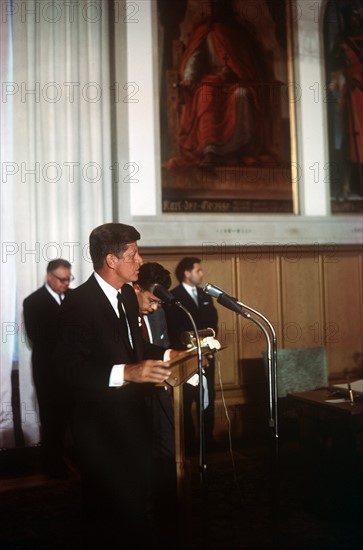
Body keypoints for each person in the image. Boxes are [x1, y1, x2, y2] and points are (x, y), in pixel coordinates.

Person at [53, 223, 175, 548]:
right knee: (107, 518)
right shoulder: (78, 304)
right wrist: (127, 374)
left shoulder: (129, 298)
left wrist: (168, 352)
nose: (140, 261)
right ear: (111, 259)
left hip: (134, 422)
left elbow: (136, 351)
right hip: (99, 432)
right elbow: (67, 370)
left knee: (135, 509)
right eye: (134, 254)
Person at [166, 1, 275, 171]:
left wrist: (234, 73)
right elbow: (195, 58)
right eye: (216, 6)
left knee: (242, 94)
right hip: (210, 80)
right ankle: (210, 150)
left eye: (223, 7)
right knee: (205, 95)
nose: (219, 10)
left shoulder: (239, 35)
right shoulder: (206, 33)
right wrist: (189, 77)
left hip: (234, 82)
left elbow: (247, 64)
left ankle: (240, 149)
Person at [132, 262, 177, 540]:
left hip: (160, 396)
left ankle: (168, 516)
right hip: (132, 401)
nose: (153, 308)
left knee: (167, 457)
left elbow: (164, 345)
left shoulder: (158, 314)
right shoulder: (121, 314)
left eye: (158, 303)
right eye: (150, 300)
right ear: (136, 288)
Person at [23, 259, 74, 478]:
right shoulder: (33, 302)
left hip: (74, 372)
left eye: (68, 279)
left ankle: (77, 461)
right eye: (62, 279)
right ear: (49, 277)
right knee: (52, 422)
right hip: (49, 374)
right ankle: (53, 466)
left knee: (76, 420)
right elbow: (37, 337)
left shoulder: (74, 298)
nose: (65, 283)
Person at [164, 257, 219, 455]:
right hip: (185, 359)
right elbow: (175, 330)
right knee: (186, 401)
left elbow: (213, 324)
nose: (201, 274)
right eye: (198, 270)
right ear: (187, 273)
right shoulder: (173, 297)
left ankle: (207, 439)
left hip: (208, 358)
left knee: (208, 399)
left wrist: (208, 350)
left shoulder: (205, 296)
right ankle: (187, 443)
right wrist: (193, 353)